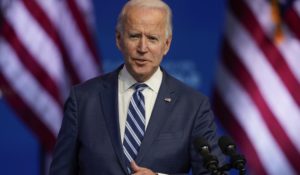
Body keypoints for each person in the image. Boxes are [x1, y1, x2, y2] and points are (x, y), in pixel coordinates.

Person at [49, 0, 223, 174]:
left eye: (152, 38)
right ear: (119, 39)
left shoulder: (193, 106)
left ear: (167, 44)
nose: (142, 48)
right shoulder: (82, 100)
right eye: (134, 36)